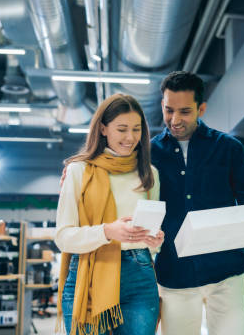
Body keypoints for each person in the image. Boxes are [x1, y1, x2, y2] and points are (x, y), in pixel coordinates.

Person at [152, 71, 244, 335]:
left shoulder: (229, 148)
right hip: (175, 273)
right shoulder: (149, 153)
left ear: (201, 108)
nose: (174, 120)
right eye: (168, 110)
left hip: (227, 272)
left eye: (184, 111)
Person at [54, 93, 165, 335]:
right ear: (103, 129)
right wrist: (107, 231)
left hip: (140, 273)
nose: (130, 137)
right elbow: (63, 237)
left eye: (136, 129)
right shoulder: (78, 170)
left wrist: (154, 241)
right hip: (89, 271)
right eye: (122, 129)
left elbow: (151, 237)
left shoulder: (150, 174)